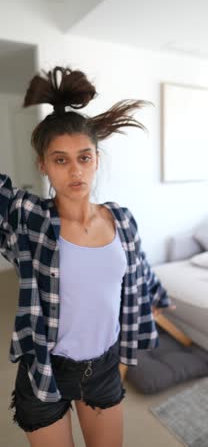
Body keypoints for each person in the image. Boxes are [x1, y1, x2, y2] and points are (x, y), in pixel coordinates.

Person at [0, 66, 175, 447]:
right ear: (42, 166)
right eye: (60, 160)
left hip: (104, 366)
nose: (75, 170)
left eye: (84, 157)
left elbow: (138, 272)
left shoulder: (122, 219)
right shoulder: (30, 219)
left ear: (97, 158)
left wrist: (157, 298)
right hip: (45, 370)